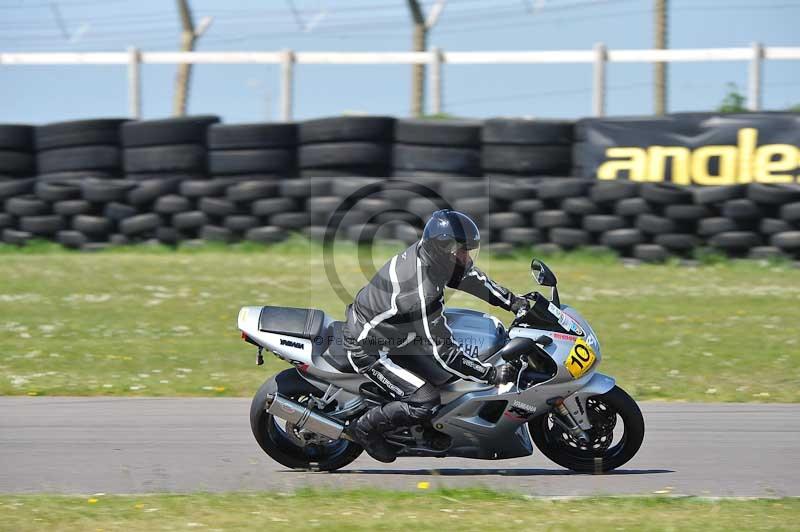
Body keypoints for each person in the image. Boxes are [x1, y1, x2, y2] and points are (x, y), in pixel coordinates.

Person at [342, 209, 530, 463]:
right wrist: (490, 374)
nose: (466, 257)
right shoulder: (422, 292)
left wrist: (514, 302)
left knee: (446, 377)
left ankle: (428, 427)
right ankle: (365, 429)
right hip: (370, 348)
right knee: (425, 401)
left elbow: (472, 279)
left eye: (467, 250)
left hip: (398, 334)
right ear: (443, 248)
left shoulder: (431, 255)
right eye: (461, 251)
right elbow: (446, 354)